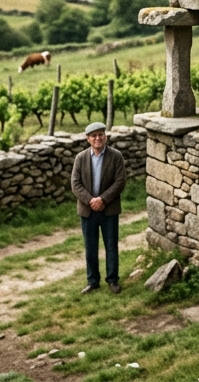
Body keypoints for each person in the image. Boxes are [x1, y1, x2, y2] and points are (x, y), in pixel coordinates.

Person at [71, 122, 128, 294]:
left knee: (111, 245)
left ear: (106, 136)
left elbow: (120, 182)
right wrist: (91, 201)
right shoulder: (80, 158)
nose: (97, 138)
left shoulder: (116, 156)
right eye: (93, 135)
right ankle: (92, 281)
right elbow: (75, 184)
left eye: (100, 134)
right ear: (88, 139)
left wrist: (103, 199)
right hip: (88, 211)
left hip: (109, 209)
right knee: (90, 246)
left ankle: (113, 280)